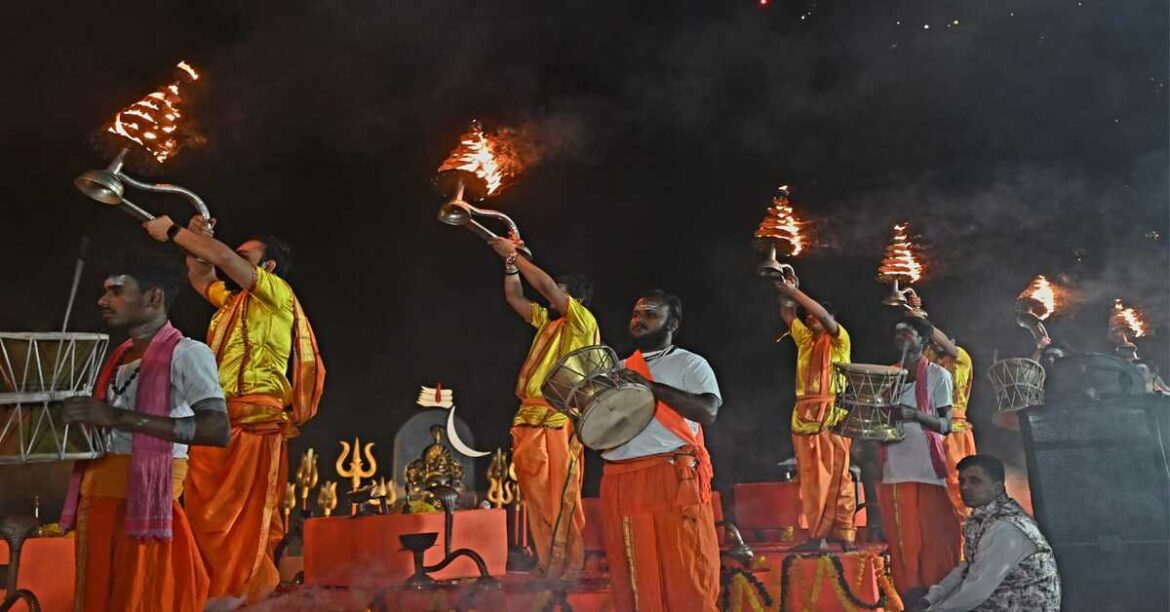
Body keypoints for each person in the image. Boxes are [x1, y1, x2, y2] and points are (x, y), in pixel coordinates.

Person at [143, 215, 325, 605]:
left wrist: (177, 233)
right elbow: (201, 274)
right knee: (204, 516)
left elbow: (220, 259)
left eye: (246, 256)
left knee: (246, 520)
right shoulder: (230, 303)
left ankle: (247, 597)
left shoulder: (276, 294)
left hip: (257, 419)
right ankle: (209, 594)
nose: (234, 258)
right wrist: (196, 240)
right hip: (217, 420)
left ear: (268, 266)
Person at [60, 249, 230, 611]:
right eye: (105, 290)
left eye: (117, 291)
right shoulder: (117, 355)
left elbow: (216, 428)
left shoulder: (188, 353)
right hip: (99, 498)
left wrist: (119, 418)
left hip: (146, 505)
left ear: (154, 297)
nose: (103, 300)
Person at [600, 289, 723, 611]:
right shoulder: (619, 369)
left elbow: (707, 412)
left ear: (673, 323)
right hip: (621, 481)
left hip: (671, 478)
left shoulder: (690, 363)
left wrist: (650, 388)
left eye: (651, 314)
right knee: (634, 574)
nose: (639, 320)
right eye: (636, 314)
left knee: (686, 568)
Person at [488, 236, 598, 581]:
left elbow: (545, 285)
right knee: (535, 498)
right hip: (528, 419)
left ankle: (569, 566)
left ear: (574, 299)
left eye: (559, 293)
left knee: (561, 497)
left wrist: (515, 255)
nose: (549, 298)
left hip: (559, 419)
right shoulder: (546, 322)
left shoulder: (581, 322)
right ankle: (547, 563)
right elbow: (514, 296)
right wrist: (509, 265)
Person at [879, 316, 962, 600]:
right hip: (895, 468)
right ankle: (908, 599)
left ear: (923, 340)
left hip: (929, 470)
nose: (900, 336)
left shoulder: (939, 375)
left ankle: (938, 598)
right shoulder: (887, 375)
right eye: (897, 332)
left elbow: (946, 425)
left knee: (934, 539)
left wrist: (914, 415)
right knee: (904, 541)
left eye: (907, 332)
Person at [912, 455, 1061, 611]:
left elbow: (976, 590)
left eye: (975, 481)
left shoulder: (1007, 526)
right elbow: (967, 568)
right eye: (962, 481)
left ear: (998, 487)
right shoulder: (981, 519)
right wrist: (929, 599)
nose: (965, 487)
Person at [774, 277, 856, 549]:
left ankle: (842, 535)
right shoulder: (807, 341)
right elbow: (787, 313)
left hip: (832, 416)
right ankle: (817, 536)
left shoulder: (839, 340)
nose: (810, 320)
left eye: (815, 317)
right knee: (811, 479)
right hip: (805, 417)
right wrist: (785, 287)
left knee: (838, 477)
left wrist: (795, 292)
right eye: (808, 318)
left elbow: (820, 313)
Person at [908, 291, 976, 517]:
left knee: (956, 480)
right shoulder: (930, 358)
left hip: (954, 430)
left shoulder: (960, 357)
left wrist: (920, 317)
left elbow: (945, 345)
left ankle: (962, 532)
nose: (934, 346)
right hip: (929, 427)